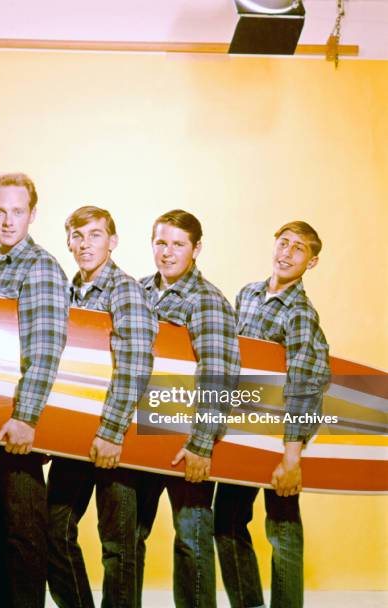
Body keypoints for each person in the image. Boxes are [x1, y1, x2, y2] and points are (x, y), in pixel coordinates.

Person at [0, 172, 69, 608]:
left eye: (17, 212)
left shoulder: (40, 267)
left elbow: (45, 348)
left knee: (22, 540)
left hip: (15, 426)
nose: (8, 221)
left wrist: (26, 417)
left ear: (32, 215)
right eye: (0, 211)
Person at [213, 221, 331, 608]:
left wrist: (291, 456)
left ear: (310, 263)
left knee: (282, 529)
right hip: (243, 429)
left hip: (282, 434)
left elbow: (305, 384)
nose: (286, 253)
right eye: (283, 243)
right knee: (227, 522)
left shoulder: (300, 313)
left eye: (298, 249)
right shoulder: (247, 294)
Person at [47, 205, 157, 608]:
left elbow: (136, 363)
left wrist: (111, 433)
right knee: (52, 530)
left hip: (116, 437)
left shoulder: (125, 290)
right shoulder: (67, 292)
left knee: (118, 545)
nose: (84, 244)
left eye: (95, 235)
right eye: (77, 236)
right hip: (75, 438)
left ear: (112, 242)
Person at [136, 209, 241, 608]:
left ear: (196, 249)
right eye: (161, 242)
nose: (167, 252)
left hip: (185, 438)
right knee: (129, 536)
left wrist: (201, 444)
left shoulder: (207, 300)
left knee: (192, 537)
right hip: (141, 433)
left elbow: (219, 373)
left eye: (178, 244)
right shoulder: (139, 290)